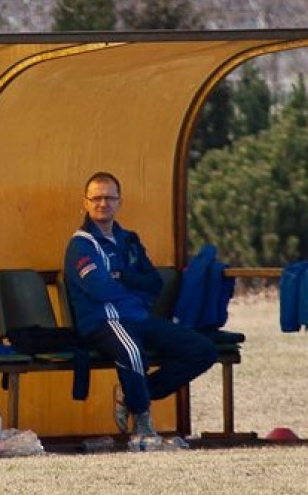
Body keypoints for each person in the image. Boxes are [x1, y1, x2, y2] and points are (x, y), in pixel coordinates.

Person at [62, 172, 217, 451]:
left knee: (203, 350)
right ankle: (143, 424)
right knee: (133, 353)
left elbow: (153, 283)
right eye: (96, 198)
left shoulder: (128, 240)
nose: (102, 203)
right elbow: (100, 289)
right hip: (103, 320)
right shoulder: (81, 244)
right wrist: (129, 283)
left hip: (138, 317)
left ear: (119, 202)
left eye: (109, 197)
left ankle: (132, 394)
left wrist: (122, 277)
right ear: (85, 203)